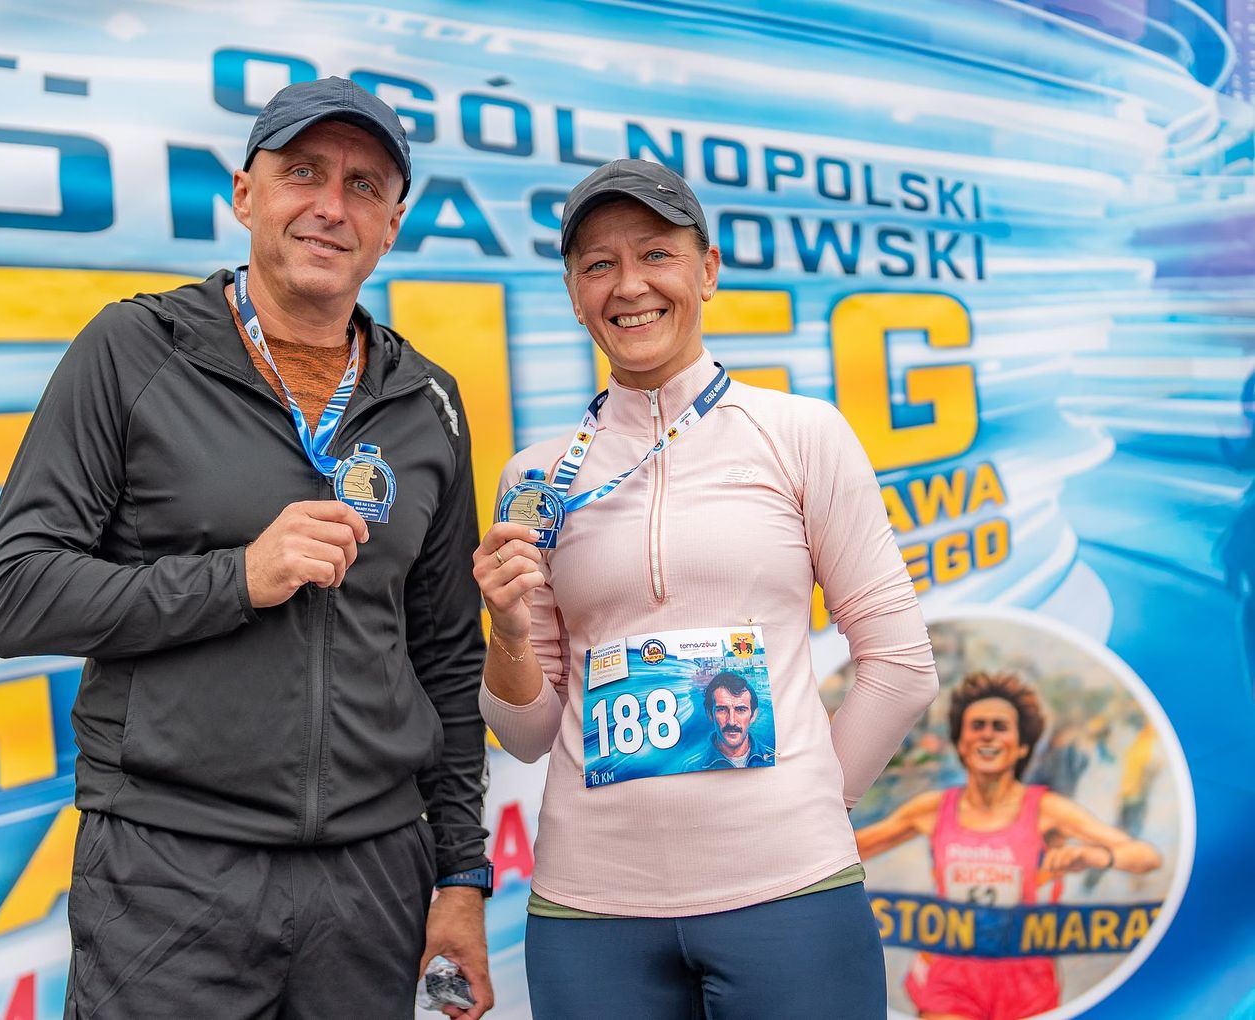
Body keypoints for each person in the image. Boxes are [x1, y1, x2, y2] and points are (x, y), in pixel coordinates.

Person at [0, 77, 493, 1019]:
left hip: (373, 880)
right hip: (171, 871)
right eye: (303, 173)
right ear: (246, 194)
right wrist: (238, 578)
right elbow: (15, 594)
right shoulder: (135, 349)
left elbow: (448, 657)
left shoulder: (428, 402)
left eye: (364, 187)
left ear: (391, 228)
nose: (331, 206)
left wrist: (459, 873)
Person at [474, 158, 939, 1019]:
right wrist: (505, 632)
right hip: (589, 910)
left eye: (657, 253)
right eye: (599, 264)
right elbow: (526, 734)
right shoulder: (535, 480)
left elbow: (901, 666)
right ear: (574, 294)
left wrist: (803, 811)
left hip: (790, 892)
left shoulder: (800, 434)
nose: (629, 285)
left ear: (708, 270)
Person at [855, 671, 1163, 1020]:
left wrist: (1096, 855)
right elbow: (849, 852)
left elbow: (1146, 857)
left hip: (1027, 983)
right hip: (949, 979)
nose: (987, 734)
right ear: (961, 743)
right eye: (977, 726)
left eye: (1000, 727)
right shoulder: (933, 809)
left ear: (1022, 746)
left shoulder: (1047, 810)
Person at [687, 671, 774, 770]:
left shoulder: (772, 759)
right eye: (722, 710)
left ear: (753, 715)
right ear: (710, 714)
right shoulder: (692, 767)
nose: (731, 721)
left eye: (740, 710)